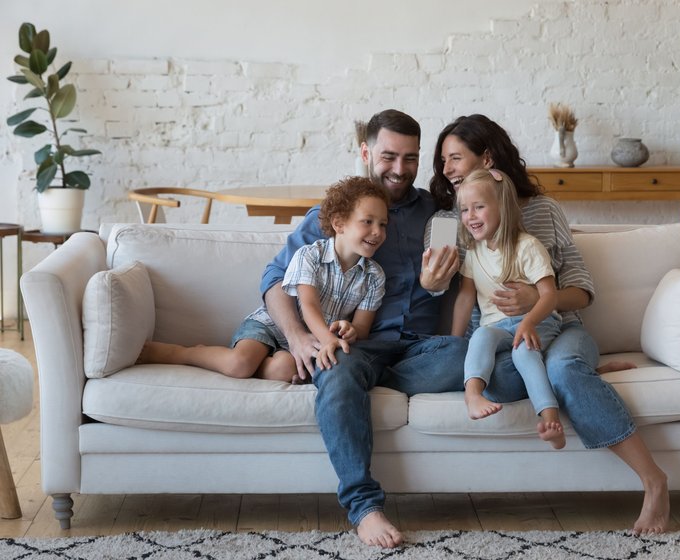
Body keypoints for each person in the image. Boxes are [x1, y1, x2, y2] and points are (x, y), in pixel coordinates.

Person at [420, 114, 670, 536]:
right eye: (441, 160)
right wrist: (430, 285)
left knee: (562, 368)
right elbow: (446, 291)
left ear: (488, 157)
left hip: (559, 328)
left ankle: (653, 481)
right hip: (501, 340)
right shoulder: (450, 220)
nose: (445, 169)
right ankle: (586, 374)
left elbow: (582, 290)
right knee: (497, 377)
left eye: (455, 157)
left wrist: (536, 299)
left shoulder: (542, 212)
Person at [260, 110, 468, 548]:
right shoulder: (334, 213)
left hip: (417, 352)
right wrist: (301, 338)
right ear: (366, 151)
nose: (399, 169)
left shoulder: (438, 213)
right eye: (389, 156)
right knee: (338, 369)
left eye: (410, 158)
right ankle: (365, 508)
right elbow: (276, 281)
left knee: (478, 357)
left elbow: (454, 284)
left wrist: (434, 288)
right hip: (358, 347)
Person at [136, 176, 390, 381]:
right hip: (273, 324)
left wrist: (350, 331)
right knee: (240, 364)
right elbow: (309, 306)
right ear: (339, 223)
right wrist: (328, 339)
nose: (377, 232)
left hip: (313, 341)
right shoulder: (310, 255)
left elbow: (362, 329)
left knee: (284, 370)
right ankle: (185, 353)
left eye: (383, 224)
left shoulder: (374, 276)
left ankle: (266, 363)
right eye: (367, 222)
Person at [452, 168, 566, 449]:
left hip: (538, 322)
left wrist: (528, 323)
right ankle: (473, 396)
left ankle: (551, 419)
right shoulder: (475, 252)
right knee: (480, 336)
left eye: (479, 207)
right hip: (498, 327)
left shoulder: (527, 246)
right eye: (465, 210)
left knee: (523, 352)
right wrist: (453, 340)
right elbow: (466, 298)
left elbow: (549, 296)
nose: (471, 216)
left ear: (502, 207)